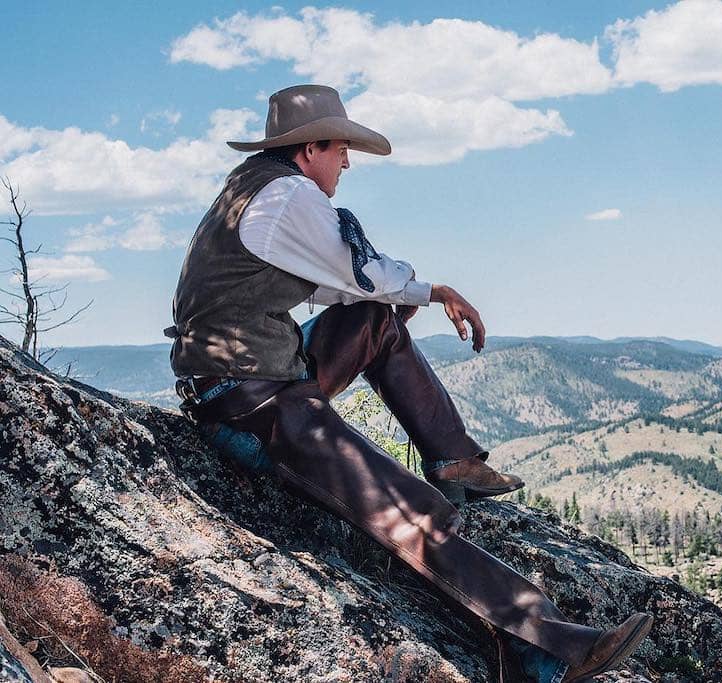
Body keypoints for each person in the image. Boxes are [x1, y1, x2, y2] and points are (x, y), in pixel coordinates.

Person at [164, 84, 652, 682]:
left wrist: (401, 295)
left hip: (255, 379)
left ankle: (453, 460)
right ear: (310, 148)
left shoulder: (252, 191)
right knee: (409, 512)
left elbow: (338, 288)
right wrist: (434, 290)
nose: (346, 163)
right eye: (341, 149)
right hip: (254, 403)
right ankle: (548, 650)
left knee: (374, 320)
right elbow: (359, 270)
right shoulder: (288, 197)